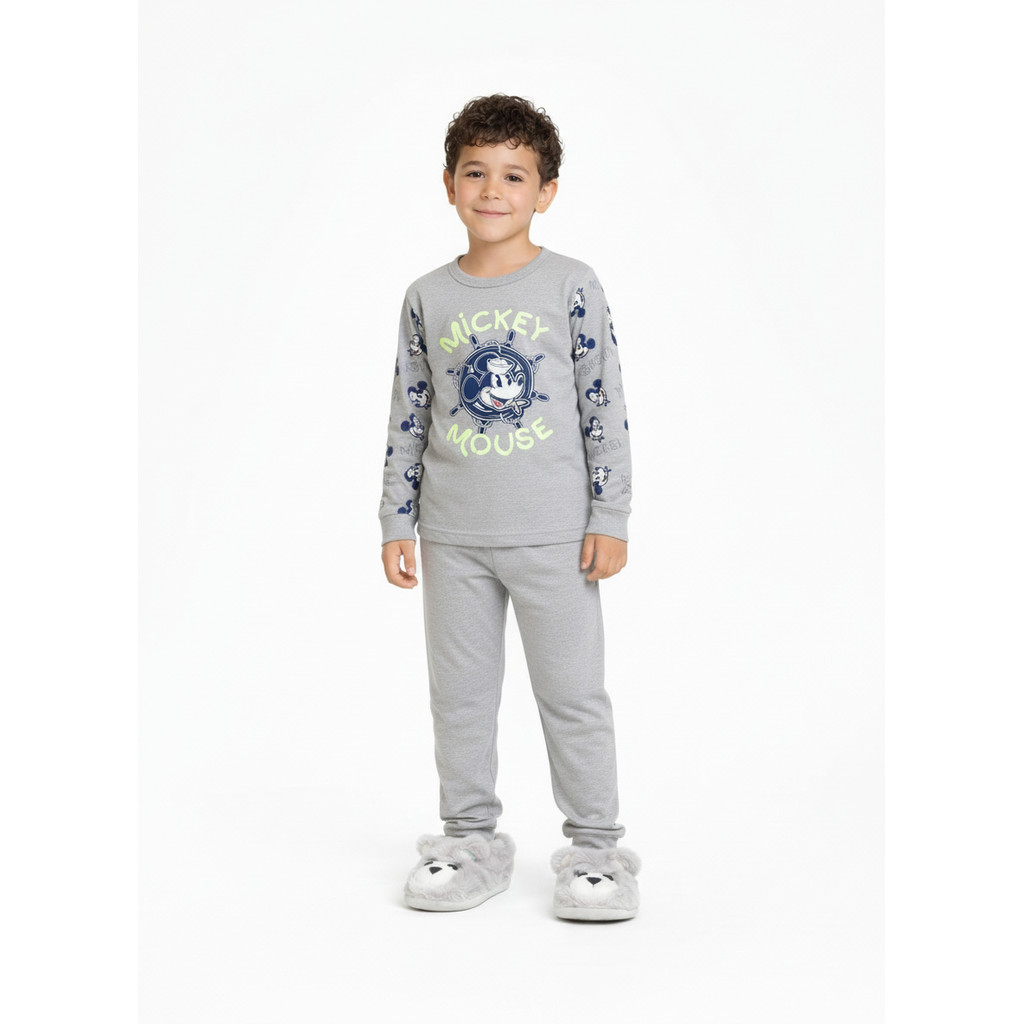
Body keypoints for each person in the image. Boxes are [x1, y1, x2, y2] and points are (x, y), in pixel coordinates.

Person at [379, 94, 641, 921]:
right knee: (460, 698)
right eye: (476, 173)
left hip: (556, 536)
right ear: (449, 184)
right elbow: (410, 410)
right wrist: (396, 518)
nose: (493, 191)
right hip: (452, 535)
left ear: (546, 191)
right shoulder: (426, 296)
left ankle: (596, 850)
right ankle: (470, 841)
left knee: (572, 696)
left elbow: (603, 403)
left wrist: (610, 515)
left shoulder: (571, 284)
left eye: (514, 176)